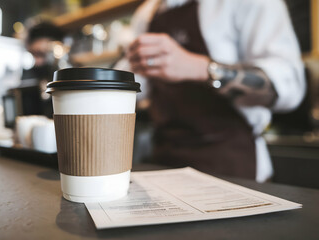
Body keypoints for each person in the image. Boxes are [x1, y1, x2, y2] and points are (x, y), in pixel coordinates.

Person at [116, 0, 305, 182]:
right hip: (165, 163)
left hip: (231, 165)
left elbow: (289, 87)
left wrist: (201, 68)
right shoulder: (146, 13)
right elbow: (137, 86)